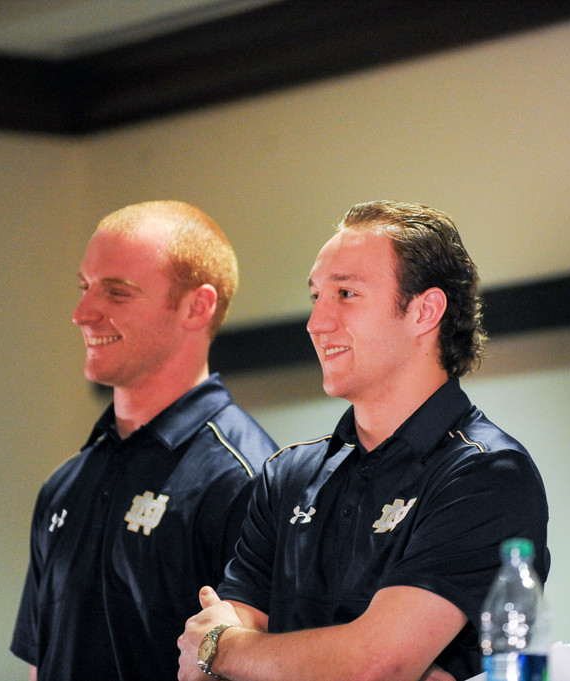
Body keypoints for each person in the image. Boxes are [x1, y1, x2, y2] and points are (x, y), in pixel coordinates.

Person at [177, 200, 549, 681]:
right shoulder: (288, 474)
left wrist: (226, 650)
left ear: (424, 311)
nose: (316, 323)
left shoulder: (486, 473)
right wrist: (229, 649)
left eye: (346, 293)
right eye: (316, 297)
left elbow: (377, 664)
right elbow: (205, 658)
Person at [11, 200, 276, 681]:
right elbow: (41, 663)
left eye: (116, 293)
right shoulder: (65, 485)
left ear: (197, 306)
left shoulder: (249, 479)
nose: (82, 312)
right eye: (84, 287)